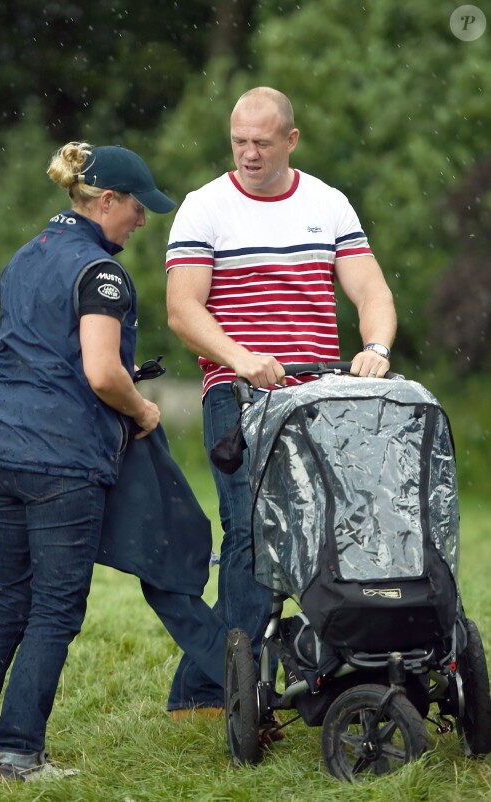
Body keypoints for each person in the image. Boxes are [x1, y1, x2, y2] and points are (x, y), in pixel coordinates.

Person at [0, 141, 179, 781]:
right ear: (106, 201)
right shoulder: (102, 273)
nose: (142, 219)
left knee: (10, 595)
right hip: (60, 460)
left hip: (1, 445)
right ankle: (18, 752)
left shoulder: (27, 255)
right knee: (54, 606)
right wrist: (142, 410)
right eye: (136, 207)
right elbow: (102, 372)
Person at [165, 86, 397, 715]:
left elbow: (369, 286)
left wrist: (374, 345)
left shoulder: (328, 203)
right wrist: (240, 358)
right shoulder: (203, 207)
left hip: (320, 399)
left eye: (261, 143)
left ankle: (322, 673)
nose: (248, 153)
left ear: (290, 140)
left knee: (330, 533)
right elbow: (183, 309)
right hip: (237, 397)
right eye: (239, 141)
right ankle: (223, 690)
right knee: (248, 535)